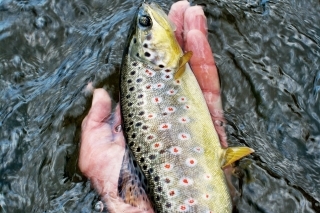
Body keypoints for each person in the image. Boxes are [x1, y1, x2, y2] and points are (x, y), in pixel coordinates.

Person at [79, 1, 228, 212]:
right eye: (145, 23)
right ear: (146, 52)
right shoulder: (166, 64)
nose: (146, 8)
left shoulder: (163, 66)